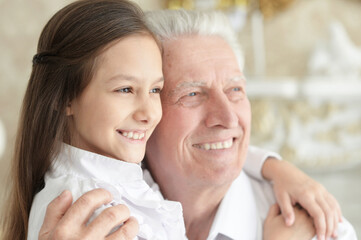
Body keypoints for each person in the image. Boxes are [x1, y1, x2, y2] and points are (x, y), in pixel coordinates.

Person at [36, 8, 357, 240]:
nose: (228, 118)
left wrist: (273, 166)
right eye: (192, 93)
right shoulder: (92, 216)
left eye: (235, 90)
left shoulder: (315, 227)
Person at [2, 1, 189, 239]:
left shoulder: (126, 186)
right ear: (65, 97)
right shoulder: (90, 212)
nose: (149, 114)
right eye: (125, 89)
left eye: (155, 90)